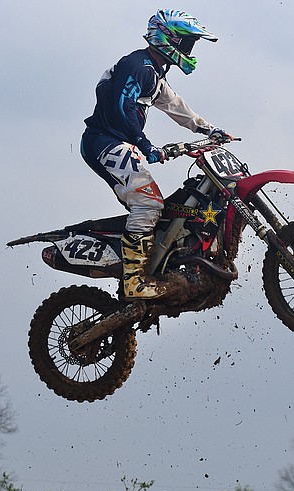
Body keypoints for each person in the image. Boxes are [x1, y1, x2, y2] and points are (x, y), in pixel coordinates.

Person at [80, 9, 230, 300]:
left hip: (117, 143)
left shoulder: (153, 71)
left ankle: (159, 262)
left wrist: (209, 129)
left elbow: (175, 105)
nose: (190, 50)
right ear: (168, 39)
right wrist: (145, 144)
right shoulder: (138, 66)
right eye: (187, 43)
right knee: (149, 204)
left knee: (157, 205)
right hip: (104, 142)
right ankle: (134, 281)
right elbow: (123, 107)